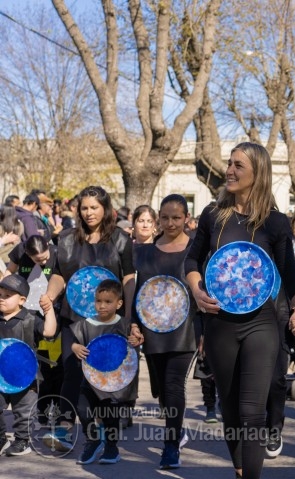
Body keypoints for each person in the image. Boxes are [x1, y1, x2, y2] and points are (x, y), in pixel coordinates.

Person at [185, 142, 295, 479]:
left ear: (258, 173)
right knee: (229, 407)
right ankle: (242, 468)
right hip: (218, 324)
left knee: (252, 411)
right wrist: (197, 290)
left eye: (238, 165)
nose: (229, 170)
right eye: (230, 163)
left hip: (262, 325)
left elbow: (291, 275)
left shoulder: (276, 222)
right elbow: (191, 260)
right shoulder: (213, 215)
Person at [43, 185, 137, 452]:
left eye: (94, 207)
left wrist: (128, 314)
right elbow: (60, 274)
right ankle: (64, 426)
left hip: (109, 320)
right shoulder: (68, 239)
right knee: (72, 371)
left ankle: (106, 432)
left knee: (104, 375)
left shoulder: (120, 239)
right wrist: (50, 295)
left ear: (105, 209)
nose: (89, 212)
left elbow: (128, 278)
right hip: (74, 318)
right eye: (84, 207)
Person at [132, 195, 196, 469]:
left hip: (186, 328)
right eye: (165, 217)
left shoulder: (196, 250)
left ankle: (170, 446)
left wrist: (205, 332)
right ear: (159, 218)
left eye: (176, 217)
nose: (170, 223)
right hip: (152, 328)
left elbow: (203, 291)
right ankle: (176, 426)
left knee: (173, 385)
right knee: (161, 389)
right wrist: (134, 323)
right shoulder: (143, 251)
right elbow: (137, 291)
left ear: (186, 219)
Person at [70, 279, 140, 465]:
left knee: (110, 416)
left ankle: (111, 447)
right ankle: (92, 441)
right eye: (98, 301)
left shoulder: (125, 324)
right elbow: (74, 340)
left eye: (108, 302)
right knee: (83, 410)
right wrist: (76, 347)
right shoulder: (86, 324)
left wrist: (135, 341)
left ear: (119, 303)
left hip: (113, 383)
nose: (102, 306)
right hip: (90, 379)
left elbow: (134, 346)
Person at [0, 274, 57, 456]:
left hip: (25, 376)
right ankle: (1, 439)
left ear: (22, 300)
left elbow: (49, 331)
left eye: (7, 295)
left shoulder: (31, 318)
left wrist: (49, 311)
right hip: (0, 376)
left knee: (23, 411)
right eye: (0, 294)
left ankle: (22, 440)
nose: (2, 298)